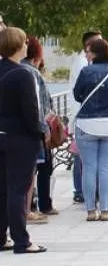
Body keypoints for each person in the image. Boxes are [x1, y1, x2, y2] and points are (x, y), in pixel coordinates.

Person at [0, 27, 46, 253]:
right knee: (18, 189)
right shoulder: (23, 74)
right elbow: (31, 111)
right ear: (19, 45)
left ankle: (1, 238)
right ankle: (21, 240)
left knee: (2, 189)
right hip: (20, 138)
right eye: (25, 41)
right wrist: (38, 133)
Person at [73, 38, 108, 221]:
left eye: (88, 51)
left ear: (94, 53)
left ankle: (90, 211)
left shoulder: (86, 71)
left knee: (89, 167)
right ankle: (105, 210)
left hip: (87, 123)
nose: (86, 54)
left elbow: (77, 94)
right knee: (105, 168)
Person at [22, 37, 55, 220]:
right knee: (37, 169)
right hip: (35, 128)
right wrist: (45, 128)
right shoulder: (31, 72)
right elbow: (41, 103)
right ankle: (31, 209)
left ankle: (32, 207)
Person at [69, 30, 103, 205]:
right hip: (83, 114)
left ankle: (85, 189)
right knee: (81, 155)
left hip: (86, 115)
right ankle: (80, 190)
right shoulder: (82, 63)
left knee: (83, 155)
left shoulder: (86, 62)